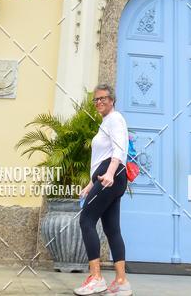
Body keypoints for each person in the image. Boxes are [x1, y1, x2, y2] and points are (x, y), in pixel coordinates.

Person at [74, 84, 132, 296]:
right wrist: (91, 185)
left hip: (111, 175)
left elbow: (119, 148)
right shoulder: (106, 122)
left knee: (86, 220)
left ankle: (96, 278)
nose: (99, 102)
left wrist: (109, 174)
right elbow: (101, 157)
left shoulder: (115, 119)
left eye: (103, 98)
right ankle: (121, 282)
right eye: (96, 99)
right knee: (112, 229)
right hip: (110, 176)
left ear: (112, 99)